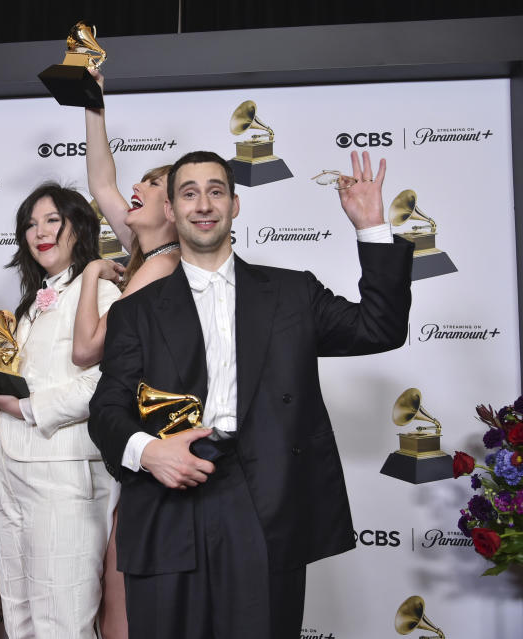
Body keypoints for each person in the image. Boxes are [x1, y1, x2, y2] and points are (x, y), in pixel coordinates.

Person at [88, 150, 413, 639]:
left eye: (216, 191)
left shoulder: (293, 293)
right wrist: (149, 451)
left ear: (235, 205)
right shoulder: (137, 311)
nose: (203, 204)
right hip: (166, 495)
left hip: (265, 499)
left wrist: (370, 227)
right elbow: (107, 409)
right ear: (172, 211)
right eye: (189, 192)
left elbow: (379, 328)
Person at [0, 183, 121, 638]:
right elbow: (6, 391)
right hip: (12, 475)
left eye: (53, 220)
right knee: (19, 617)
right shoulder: (29, 305)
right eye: (31, 224)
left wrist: (27, 406)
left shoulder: (102, 295)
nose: (40, 231)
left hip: (65, 476)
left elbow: (102, 383)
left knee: (63, 621)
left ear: (80, 228)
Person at [73, 70, 180, 639]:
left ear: (176, 210)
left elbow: (88, 348)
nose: (133, 190)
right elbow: (101, 179)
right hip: (139, 442)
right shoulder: (148, 247)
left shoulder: (160, 266)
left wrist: (92, 274)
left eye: (152, 185)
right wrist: (94, 103)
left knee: (123, 605)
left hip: (148, 444)